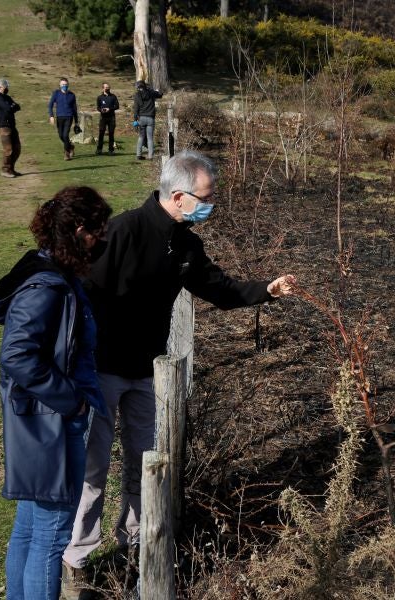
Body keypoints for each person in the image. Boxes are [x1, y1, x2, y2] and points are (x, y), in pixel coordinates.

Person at [61, 150, 296, 596]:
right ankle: (78, 557)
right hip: (102, 371)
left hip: (148, 373)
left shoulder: (186, 244)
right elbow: (83, 295)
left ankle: (134, 545)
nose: (212, 205)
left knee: (144, 465)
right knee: (92, 468)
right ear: (178, 195)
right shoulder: (124, 231)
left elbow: (218, 289)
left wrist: (266, 290)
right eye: (206, 197)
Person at [0, 186, 113, 600]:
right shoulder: (47, 286)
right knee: (51, 535)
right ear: (79, 231)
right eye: (98, 231)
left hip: (42, 421)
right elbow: (18, 356)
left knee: (30, 526)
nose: (102, 239)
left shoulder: (51, 275)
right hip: (51, 425)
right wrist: (72, 401)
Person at [0, 78, 21, 178]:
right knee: (8, 149)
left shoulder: (7, 97)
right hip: (4, 126)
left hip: (12, 125)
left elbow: (17, 106)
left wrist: (12, 106)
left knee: (17, 148)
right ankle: (5, 169)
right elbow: (8, 108)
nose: (7, 88)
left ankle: (11, 168)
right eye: (6, 87)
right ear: (0, 87)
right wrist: (11, 106)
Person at [48, 77, 80, 161]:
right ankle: (71, 146)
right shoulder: (56, 93)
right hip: (59, 117)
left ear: (68, 85)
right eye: (62, 84)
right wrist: (51, 116)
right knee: (61, 136)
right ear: (59, 85)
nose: (64, 86)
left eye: (65, 84)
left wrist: (76, 122)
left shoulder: (72, 95)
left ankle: (67, 153)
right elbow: (50, 105)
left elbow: (74, 109)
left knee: (65, 135)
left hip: (69, 117)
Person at [132, 80, 162, 160]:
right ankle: (150, 156)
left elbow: (136, 109)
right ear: (145, 86)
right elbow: (160, 95)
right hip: (150, 118)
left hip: (141, 118)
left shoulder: (137, 95)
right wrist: (158, 90)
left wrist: (135, 120)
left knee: (141, 137)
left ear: (138, 87)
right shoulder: (151, 92)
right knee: (150, 138)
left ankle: (138, 154)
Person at [95, 82, 120, 156]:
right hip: (103, 118)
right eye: (106, 87)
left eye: (108, 87)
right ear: (103, 88)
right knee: (101, 134)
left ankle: (111, 150)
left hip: (111, 117)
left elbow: (117, 106)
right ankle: (99, 149)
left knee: (111, 134)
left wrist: (110, 109)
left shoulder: (113, 96)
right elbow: (98, 107)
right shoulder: (100, 97)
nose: (107, 88)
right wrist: (101, 110)